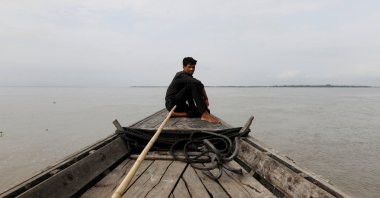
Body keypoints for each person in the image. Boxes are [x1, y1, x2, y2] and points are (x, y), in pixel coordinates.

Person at [165, 57, 220, 123]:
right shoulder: (180, 75)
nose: (192, 69)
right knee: (193, 84)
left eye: (193, 67)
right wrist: (206, 98)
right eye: (189, 67)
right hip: (172, 103)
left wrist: (195, 106)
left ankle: (175, 114)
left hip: (180, 106)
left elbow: (190, 93)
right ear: (183, 67)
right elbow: (198, 83)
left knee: (206, 110)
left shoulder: (189, 78)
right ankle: (205, 114)